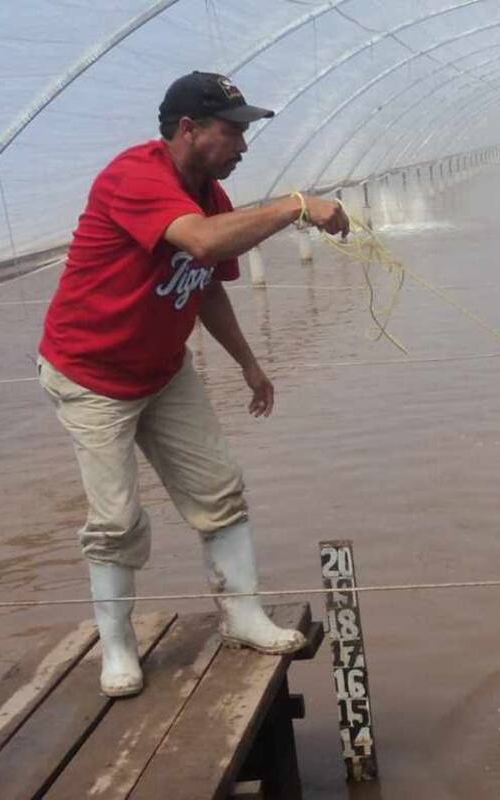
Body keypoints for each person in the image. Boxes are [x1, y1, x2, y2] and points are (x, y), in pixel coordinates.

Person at [36, 71, 350, 697]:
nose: (242, 145)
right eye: (233, 131)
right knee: (117, 520)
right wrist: (295, 205)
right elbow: (200, 242)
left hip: (163, 368)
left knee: (219, 489)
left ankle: (243, 616)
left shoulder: (212, 195)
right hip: (91, 375)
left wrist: (248, 364)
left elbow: (203, 284)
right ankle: (118, 649)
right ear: (189, 129)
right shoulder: (135, 176)